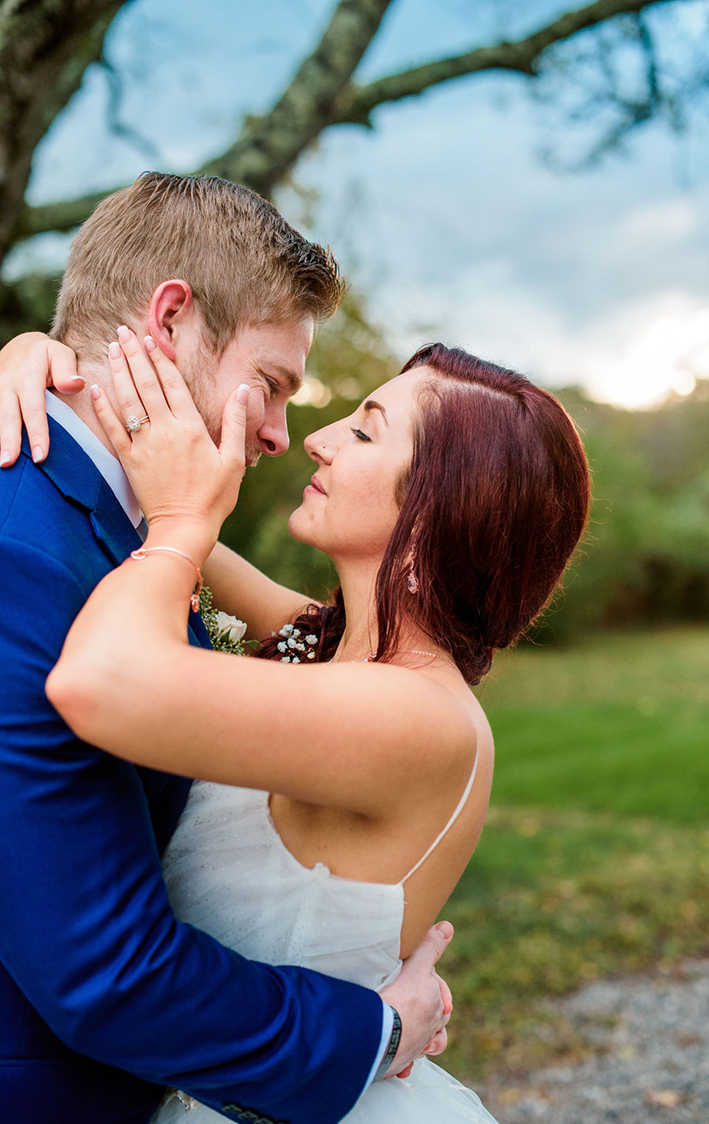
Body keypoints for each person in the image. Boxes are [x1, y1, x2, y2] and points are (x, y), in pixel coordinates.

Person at [1, 325, 590, 1121]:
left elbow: (108, 672)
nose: (316, 440)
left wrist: (181, 525)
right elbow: (132, 498)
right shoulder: (327, 647)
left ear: (432, 518)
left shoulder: (417, 718)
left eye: (364, 429)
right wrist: (43, 363)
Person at [0, 172, 453, 1124]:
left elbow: (261, 616)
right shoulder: (26, 551)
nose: (290, 435)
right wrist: (374, 1030)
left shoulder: (137, 535)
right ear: (169, 323)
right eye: (275, 385)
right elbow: (104, 972)